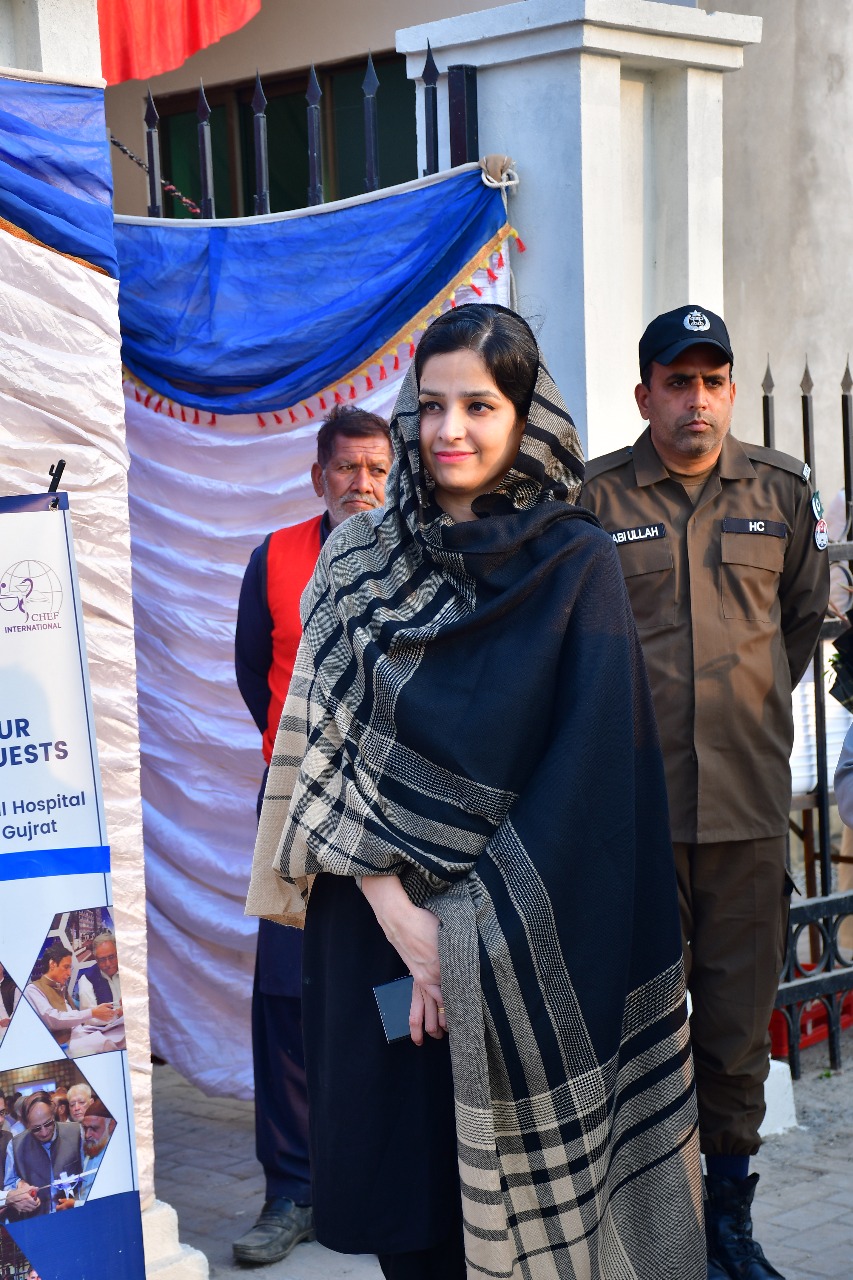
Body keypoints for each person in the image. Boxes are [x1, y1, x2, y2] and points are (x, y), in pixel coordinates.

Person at [247, 303, 705, 1279]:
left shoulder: (574, 562)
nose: (449, 428)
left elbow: (589, 778)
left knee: (509, 1223)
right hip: (373, 927)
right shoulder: (356, 560)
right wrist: (408, 928)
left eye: (478, 405)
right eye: (431, 405)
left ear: (524, 416)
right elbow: (319, 751)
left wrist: (462, 937)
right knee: (408, 1207)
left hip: (529, 936)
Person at [582, 304, 829, 1280]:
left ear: (730, 389)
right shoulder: (593, 499)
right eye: (677, 382)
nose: (697, 399)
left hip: (746, 818)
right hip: (632, 821)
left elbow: (797, 631)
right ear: (643, 394)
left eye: (712, 381)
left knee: (732, 1040)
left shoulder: (781, 491)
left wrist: (740, 720)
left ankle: (727, 1228)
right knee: (636, 1034)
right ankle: (646, 1227)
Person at [233, 403, 393, 1266]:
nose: (361, 484)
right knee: (287, 994)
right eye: (346, 469)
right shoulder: (275, 558)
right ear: (317, 476)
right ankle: (292, 1188)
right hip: (295, 801)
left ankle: (390, 1170)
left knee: (400, 988)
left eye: (376, 470)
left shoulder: (419, 555)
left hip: (397, 807)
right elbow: (252, 671)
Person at [24, 942, 119, 1057]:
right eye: (66, 967)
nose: (69, 973)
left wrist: (112, 1013)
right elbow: (54, 1019)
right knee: (108, 1043)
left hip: (82, 1033)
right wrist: (92, 1013)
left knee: (119, 1033)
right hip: (66, 1044)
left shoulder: (61, 988)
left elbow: (77, 1020)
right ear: (52, 964)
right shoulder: (32, 990)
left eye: (70, 968)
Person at [4, 1092, 82, 1215]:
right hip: (36, 1218)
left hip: (74, 1213)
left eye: (48, 1123)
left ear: (53, 1112)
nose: (44, 1132)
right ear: (26, 1124)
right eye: (36, 1128)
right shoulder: (15, 1146)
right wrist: (19, 1186)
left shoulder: (76, 1133)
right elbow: (9, 1184)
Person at [76, 1099, 116, 1204]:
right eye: (85, 1128)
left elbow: (110, 1202)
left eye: (94, 1128)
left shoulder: (117, 1156)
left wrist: (75, 1204)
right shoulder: (91, 1149)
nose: (87, 1135)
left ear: (111, 1125)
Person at [76, 933, 121, 1010]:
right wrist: (117, 1013)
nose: (108, 964)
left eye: (111, 957)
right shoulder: (86, 979)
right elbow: (90, 1015)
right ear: (96, 959)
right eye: (102, 959)